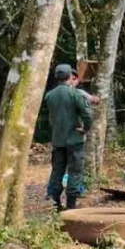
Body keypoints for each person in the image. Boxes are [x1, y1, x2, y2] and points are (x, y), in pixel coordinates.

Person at [43, 64, 93, 211]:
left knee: (57, 171)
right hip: (74, 139)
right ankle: (71, 206)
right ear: (69, 76)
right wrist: (85, 128)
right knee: (75, 171)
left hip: (58, 140)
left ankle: (56, 204)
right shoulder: (74, 94)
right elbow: (87, 114)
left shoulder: (49, 96)